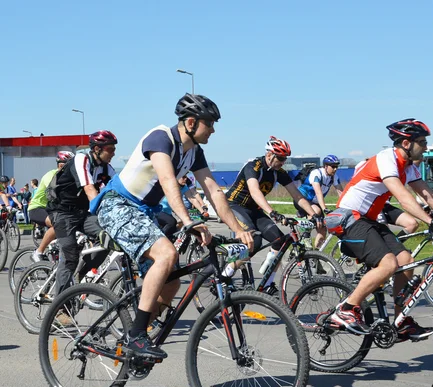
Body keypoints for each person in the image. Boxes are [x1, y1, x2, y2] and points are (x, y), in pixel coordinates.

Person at [92, 93, 254, 360]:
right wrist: (190, 222)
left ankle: (139, 333)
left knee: (172, 281)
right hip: (118, 205)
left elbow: (213, 190)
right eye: (209, 123)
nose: (213, 129)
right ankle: (137, 337)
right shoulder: (160, 139)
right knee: (166, 254)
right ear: (191, 122)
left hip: (146, 212)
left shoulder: (195, 152)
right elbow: (168, 181)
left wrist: (237, 228)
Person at [329, 118, 433, 337]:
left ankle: (400, 321)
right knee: (388, 264)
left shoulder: (408, 167)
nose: (426, 147)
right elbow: (404, 197)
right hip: (349, 217)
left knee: (406, 260)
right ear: (406, 143)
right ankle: (346, 309)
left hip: (368, 220)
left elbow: (428, 194)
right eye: (422, 142)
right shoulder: (386, 159)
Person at [223, 136, 324, 289]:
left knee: (280, 241)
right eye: (281, 158)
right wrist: (272, 212)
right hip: (234, 206)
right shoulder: (253, 166)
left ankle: (268, 285)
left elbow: (297, 195)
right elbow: (255, 191)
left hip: (254, 209)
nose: (283, 162)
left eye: (285, 159)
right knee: (254, 241)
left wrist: (314, 214)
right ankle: (226, 273)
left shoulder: (279, 172)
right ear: (269, 155)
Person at [47, 131, 117, 297]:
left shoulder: (106, 167)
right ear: (97, 149)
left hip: (81, 213)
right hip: (62, 212)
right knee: (70, 258)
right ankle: (61, 308)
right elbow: (89, 189)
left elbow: (120, 189)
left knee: (110, 235)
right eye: (111, 149)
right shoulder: (81, 159)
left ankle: (83, 273)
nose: (114, 153)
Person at [28, 151, 75, 262]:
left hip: (51, 209)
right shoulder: (51, 175)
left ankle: (56, 250)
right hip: (37, 208)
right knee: (58, 223)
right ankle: (38, 252)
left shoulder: (69, 177)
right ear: (61, 164)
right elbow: (56, 193)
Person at [354, 158, 419, 235]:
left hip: (385, 205)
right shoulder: (387, 168)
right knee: (384, 230)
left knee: (412, 224)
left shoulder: (409, 172)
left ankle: (395, 245)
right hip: (372, 204)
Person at [295, 154, 344, 248]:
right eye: (333, 167)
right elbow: (318, 193)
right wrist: (324, 208)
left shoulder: (334, 177)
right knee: (316, 211)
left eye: (337, 167)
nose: (335, 169)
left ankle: (316, 255)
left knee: (322, 230)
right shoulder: (316, 173)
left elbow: (341, 193)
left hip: (314, 203)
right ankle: (306, 236)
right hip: (301, 199)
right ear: (326, 166)